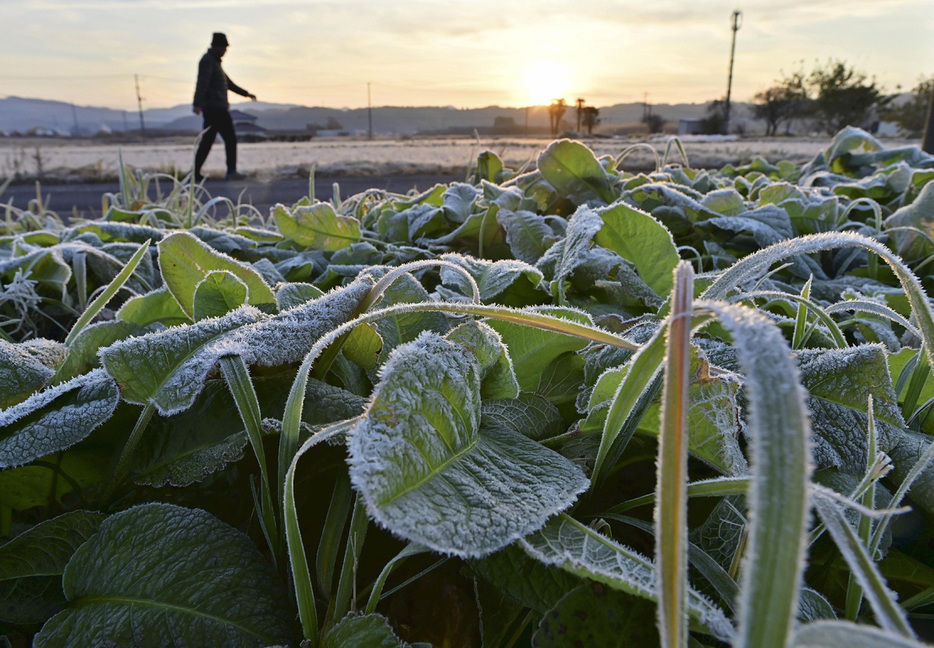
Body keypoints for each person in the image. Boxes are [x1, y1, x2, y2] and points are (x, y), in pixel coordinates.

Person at [192, 32, 256, 182]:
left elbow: (229, 84)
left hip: (215, 107)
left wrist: (246, 94)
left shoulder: (215, 63)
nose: (225, 51)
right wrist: (197, 103)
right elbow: (202, 82)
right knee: (230, 139)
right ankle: (231, 172)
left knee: (207, 141)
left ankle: (195, 173)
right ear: (216, 46)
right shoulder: (208, 61)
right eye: (224, 47)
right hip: (215, 108)